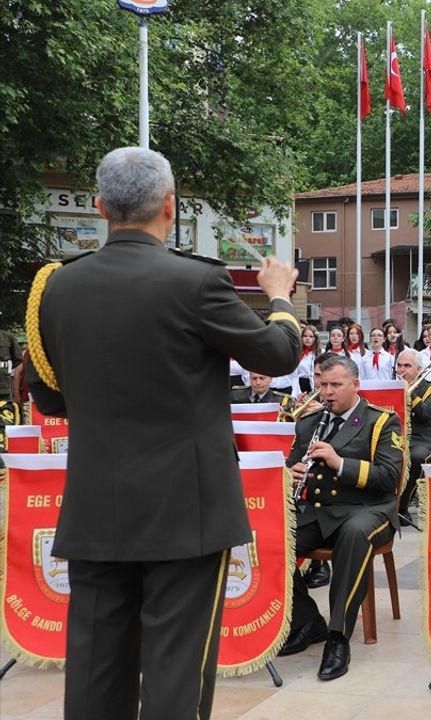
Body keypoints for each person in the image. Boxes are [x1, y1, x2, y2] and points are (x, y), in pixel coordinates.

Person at [25, 146, 302, 719]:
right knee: (176, 672)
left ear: (100, 206)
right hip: (186, 512)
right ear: (170, 207)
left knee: (95, 672)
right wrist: (278, 295)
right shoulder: (196, 280)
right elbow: (279, 353)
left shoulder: (56, 286)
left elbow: (49, 397)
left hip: (96, 509)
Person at [279, 355, 403, 680]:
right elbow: (291, 464)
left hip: (368, 508)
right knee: (272, 538)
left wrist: (339, 463)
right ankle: (307, 621)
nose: (327, 392)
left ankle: (338, 636)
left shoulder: (381, 421)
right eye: (322, 384)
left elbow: (388, 477)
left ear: (355, 384)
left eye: (335, 384)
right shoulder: (308, 422)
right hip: (321, 511)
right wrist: (290, 474)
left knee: (354, 535)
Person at [395, 349, 431, 525]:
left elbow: (426, 414)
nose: (402, 370)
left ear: (419, 369)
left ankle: (401, 508)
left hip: (421, 439)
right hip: (395, 436)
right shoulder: (390, 386)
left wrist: (409, 392)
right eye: (399, 365)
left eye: (407, 366)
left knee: (416, 457)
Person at [0, 326, 20, 401]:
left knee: (4, 405)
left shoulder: (7, 336)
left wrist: (6, 368)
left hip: (3, 382)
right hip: (3, 379)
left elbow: (18, 358)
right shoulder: (7, 336)